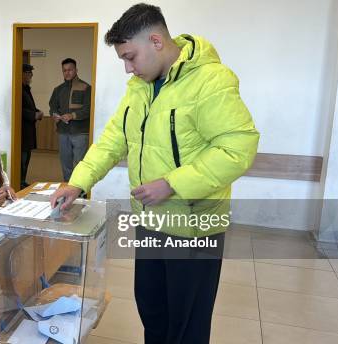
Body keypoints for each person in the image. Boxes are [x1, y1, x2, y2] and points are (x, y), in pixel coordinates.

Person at [51, 4, 259, 343]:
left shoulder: (211, 80)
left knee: (186, 323)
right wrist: (78, 182)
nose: (127, 68)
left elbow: (239, 148)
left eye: (130, 57)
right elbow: (113, 138)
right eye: (123, 60)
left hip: (194, 228)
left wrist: (173, 184)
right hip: (151, 222)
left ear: (156, 41)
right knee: (153, 310)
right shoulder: (140, 87)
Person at [49, 58, 91, 181]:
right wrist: (54, 115)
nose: (67, 73)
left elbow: (88, 109)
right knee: (65, 163)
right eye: (64, 70)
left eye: (70, 70)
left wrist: (73, 115)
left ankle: (80, 190)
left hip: (80, 132)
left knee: (80, 164)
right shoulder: (58, 89)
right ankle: (67, 187)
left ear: (76, 70)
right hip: (63, 131)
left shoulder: (86, 87)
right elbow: (53, 106)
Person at [21, 63, 43, 188]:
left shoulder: (26, 88)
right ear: (23, 74)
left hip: (29, 131)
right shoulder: (18, 88)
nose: (31, 76)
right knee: (22, 159)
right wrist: (33, 115)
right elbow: (19, 109)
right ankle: (19, 183)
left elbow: (30, 107)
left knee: (27, 157)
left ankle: (22, 181)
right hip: (22, 131)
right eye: (29, 73)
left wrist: (37, 111)